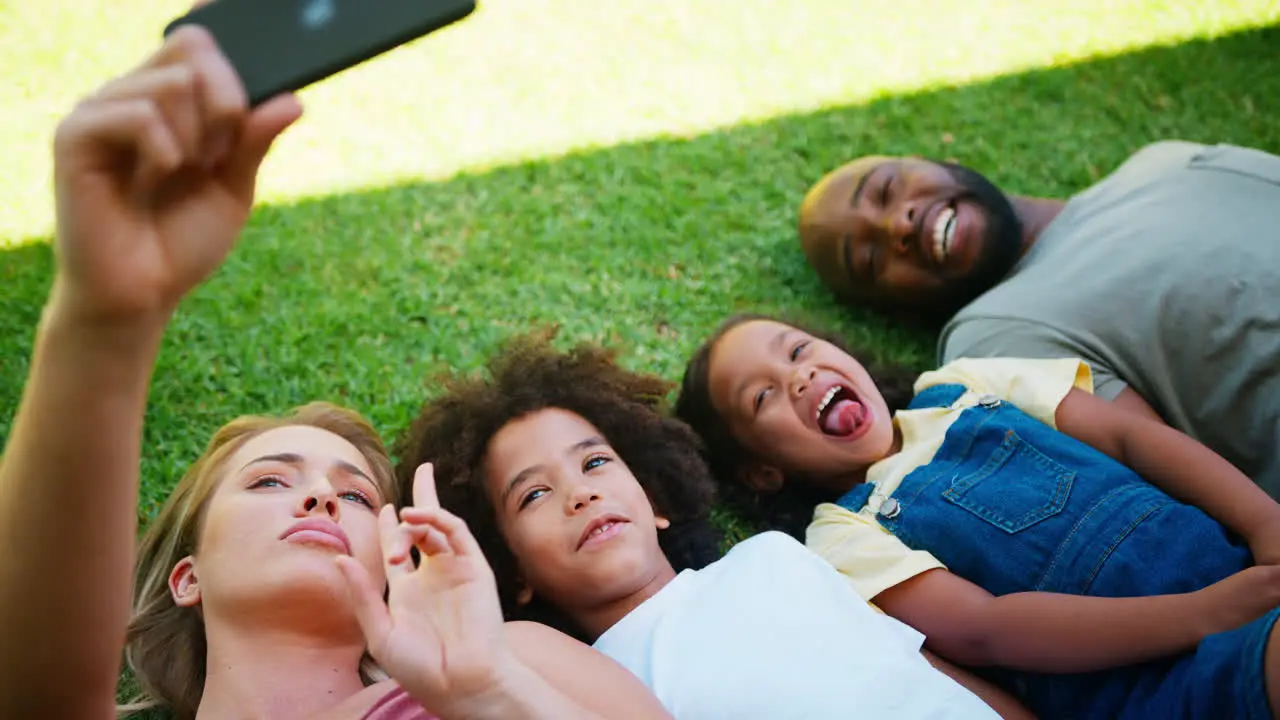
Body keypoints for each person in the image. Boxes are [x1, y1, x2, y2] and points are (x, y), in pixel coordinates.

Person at [0, 24, 671, 720]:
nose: (322, 497)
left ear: (389, 569)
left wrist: (487, 692)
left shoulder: (515, 659)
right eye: (269, 480)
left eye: (356, 498)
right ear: (186, 576)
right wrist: (101, 316)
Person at [675, 312, 1280, 719]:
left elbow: (1130, 438)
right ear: (761, 472)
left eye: (798, 350)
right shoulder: (839, 536)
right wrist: (1209, 613)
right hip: (1149, 684)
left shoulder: (963, 385)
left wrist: (1263, 523)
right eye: (763, 396)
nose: (799, 377)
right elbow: (986, 629)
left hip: (1240, 570)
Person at [394, 333, 1032, 719]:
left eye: (593, 462)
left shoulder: (777, 558)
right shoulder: (571, 683)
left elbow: (931, 671)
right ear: (514, 573)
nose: (579, 493)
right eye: (533, 493)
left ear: (654, 497)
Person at [794, 142, 1280, 497]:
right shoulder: (991, 338)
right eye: (871, 260)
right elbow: (1171, 481)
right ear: (897, 308)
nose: (896, 224)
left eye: (885, 190)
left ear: (947, 161)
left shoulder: (1162, 161)